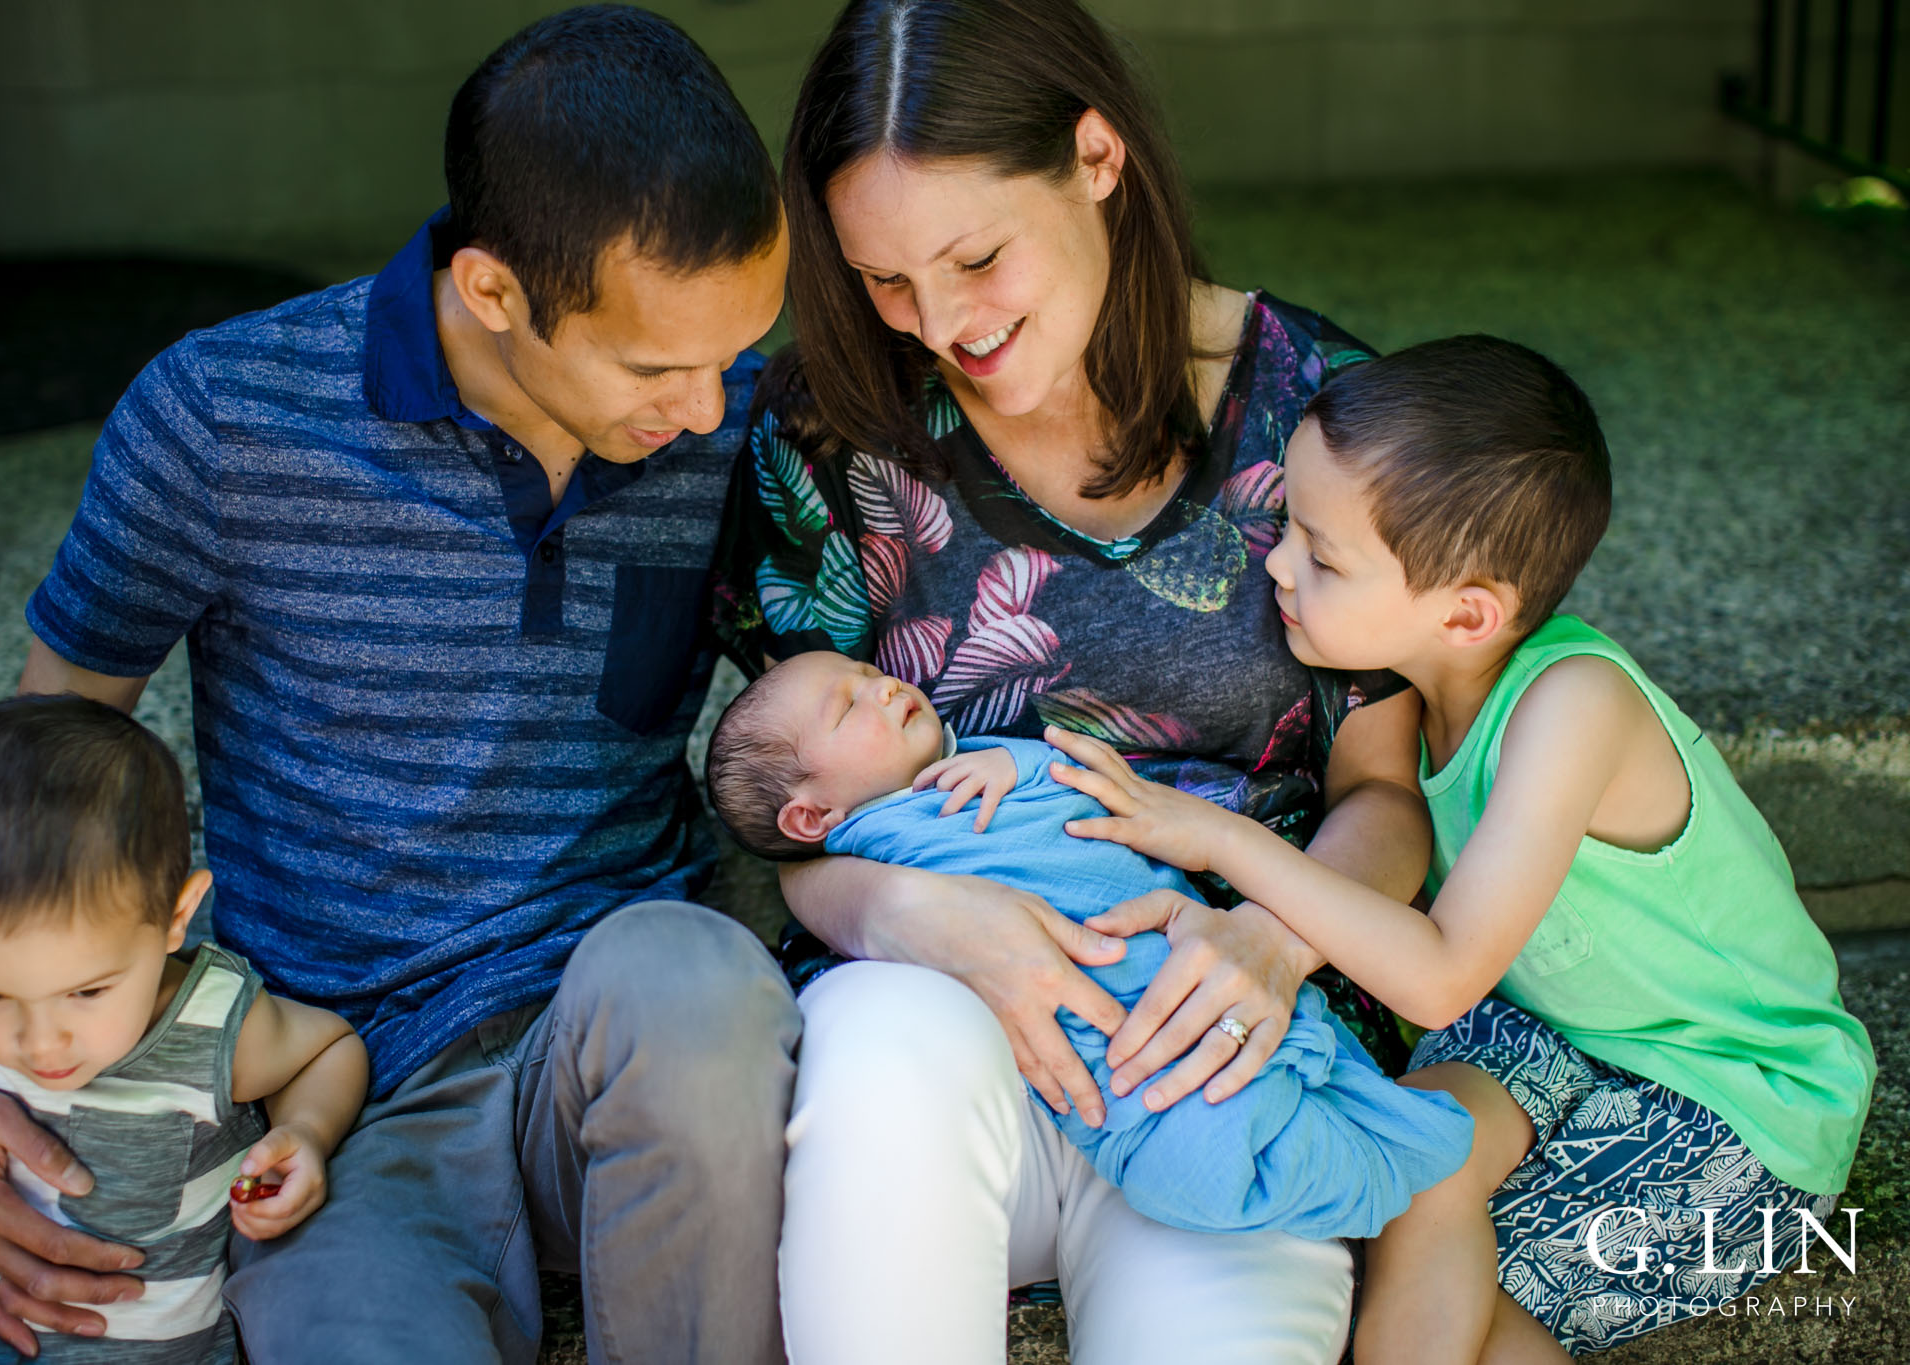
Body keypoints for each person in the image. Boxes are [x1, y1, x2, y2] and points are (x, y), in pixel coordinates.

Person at [0, 9, 800, 1364]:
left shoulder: (732, 428)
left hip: (626, 1044)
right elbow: (29, 795)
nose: (711, 408)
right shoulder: (220, 418)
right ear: (492, 293)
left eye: (732, 354)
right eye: (660, 366)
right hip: (340, 1097)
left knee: (700, 976)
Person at [712, 0, 1433, 1358]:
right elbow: (797, 821)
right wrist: (911, 916)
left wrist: (1274, 943)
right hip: (937, 1059)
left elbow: (1387, 799)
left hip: (1227, 1059)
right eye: (885, 281)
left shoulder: (1324, 416)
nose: (942, 327)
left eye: (976, 258)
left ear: (1098, 157)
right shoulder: (827, 439)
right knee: (878, 1029)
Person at [1049, 335, 1877, 1361]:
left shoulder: (1572, 706)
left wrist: (1217, 838)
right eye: (1286, 529)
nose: (1275, 565)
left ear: (1467, 611)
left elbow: (1436, 980)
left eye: (1321, 553)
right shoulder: (1405, 695)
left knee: (1473, 1306)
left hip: (1733, 1090)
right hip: (1543, 1036)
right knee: (1394, 1163)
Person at [705, 650, 1473, 1240]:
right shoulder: (864, 844)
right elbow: (808, 885)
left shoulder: (979, 761)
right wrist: (886, 902)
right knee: (1191, 1169)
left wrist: (1010, 761)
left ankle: (1388, 1145)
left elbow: (1064, 773)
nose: (882, 686)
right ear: (811, 818)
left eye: (869, 672)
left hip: (1184, 956)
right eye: (848, 708)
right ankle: (1374, 1164)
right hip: (1097, 1063)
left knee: (1243, 1082)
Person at [0, 695, 367, 1364]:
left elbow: (328, 1049)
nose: (40, 1041)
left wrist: (306, 1129)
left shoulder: (214, 1021)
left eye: (87, 991)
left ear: (175, 915)